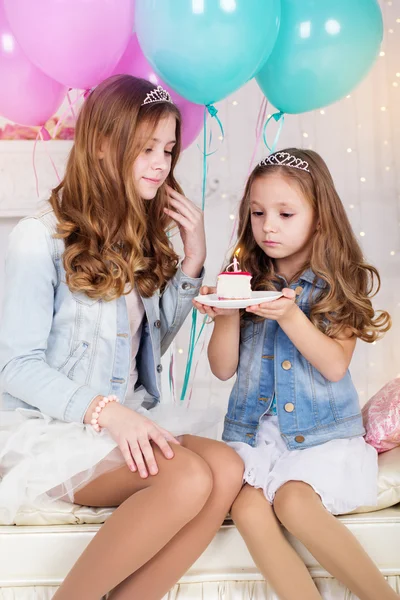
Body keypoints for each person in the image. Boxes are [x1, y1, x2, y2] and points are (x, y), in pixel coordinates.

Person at [0, 75, 244, 600]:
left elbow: (145, 353)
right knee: (187, 479)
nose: (161, 163)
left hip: (115, 424)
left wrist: (193, 262)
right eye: (146, 149)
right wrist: (106, 411)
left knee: (226, 467)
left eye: (169, 150)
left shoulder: (138, 236)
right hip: (50, 434)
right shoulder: (37, 237)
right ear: (105, 144)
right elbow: (14, 365)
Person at [194, 149, 397, 600]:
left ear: (319, 219)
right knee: (247, 507)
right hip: (257, 437)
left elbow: (333, 364)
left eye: (285, 213)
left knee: (292, 501)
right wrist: (225, 313)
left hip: (322, 438)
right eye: (258, 212)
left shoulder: (339, 281)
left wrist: (290, 317)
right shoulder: (243, 279)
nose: (268, 226)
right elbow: (222, 369)